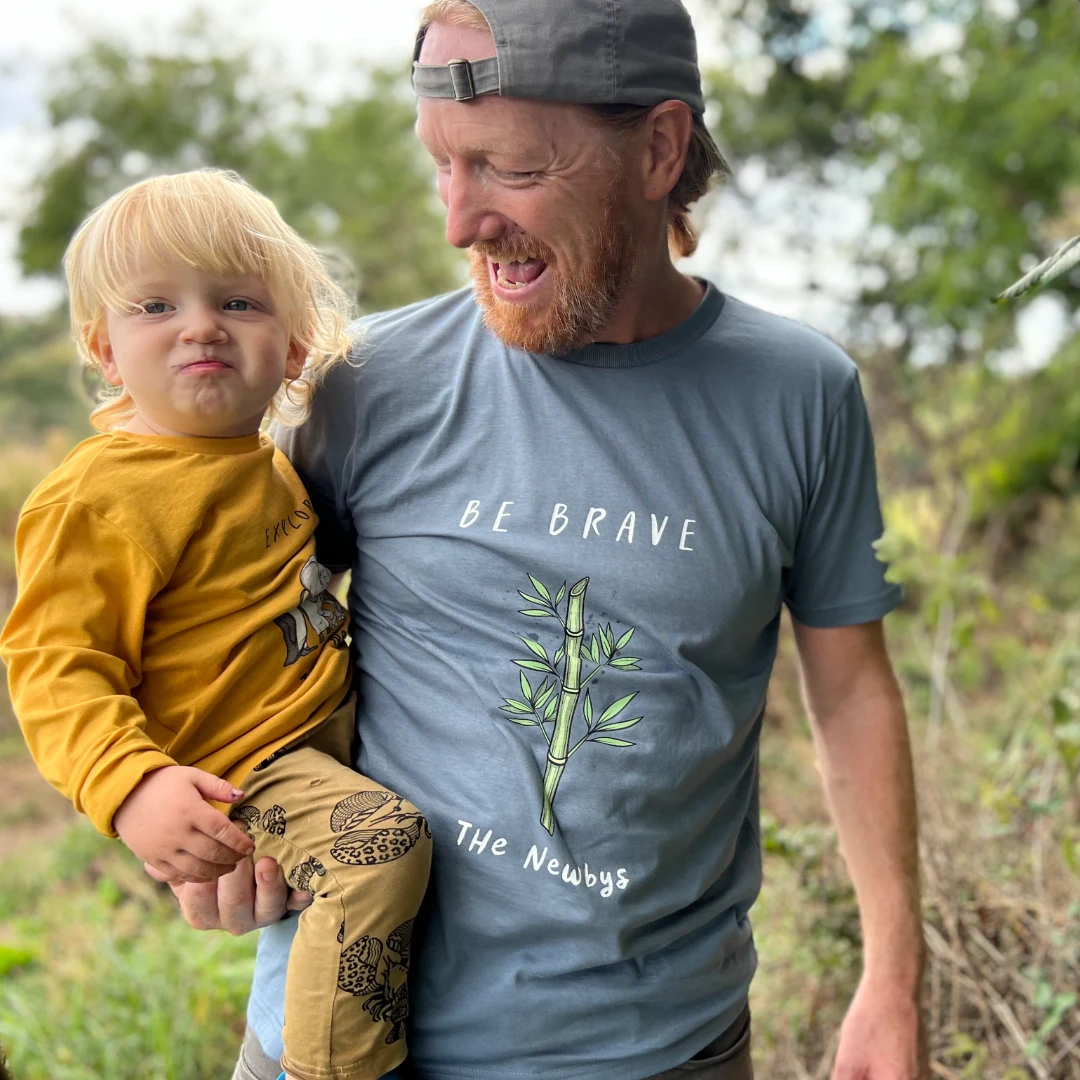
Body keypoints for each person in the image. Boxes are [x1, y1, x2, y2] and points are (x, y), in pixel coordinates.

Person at [175, 2, 929, 1078]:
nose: (460, 221)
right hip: (334, 1044)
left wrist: (894, 978)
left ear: (658, 149)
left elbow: (850, 689)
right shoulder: (366, 385)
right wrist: (195, 806)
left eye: (510, 167)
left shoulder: (800, 397)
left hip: (660, 1049)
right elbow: (223, 620)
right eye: (444, 165)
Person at [0, 170, 432, 1080]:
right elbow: (54, 663)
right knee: (379, 848)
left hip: (314, 748)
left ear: (295, 344)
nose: (200, 326)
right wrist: (132, 785)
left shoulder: (268, 465)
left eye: (238, 301)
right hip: (236, 769)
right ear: (106, 349)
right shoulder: (102, 495)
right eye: (156, 306)